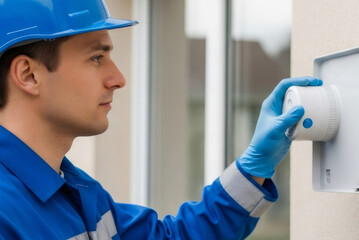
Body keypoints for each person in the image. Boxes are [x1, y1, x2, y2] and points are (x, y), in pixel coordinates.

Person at [0, 0, 320, 239]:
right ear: (28, 74)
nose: (118, 78)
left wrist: (253, 168)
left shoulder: (76, 192)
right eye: (96, 57)